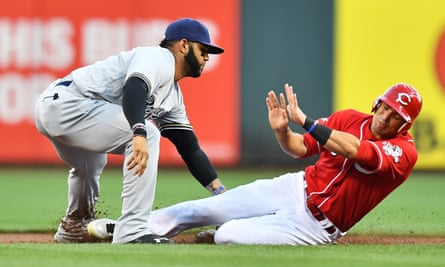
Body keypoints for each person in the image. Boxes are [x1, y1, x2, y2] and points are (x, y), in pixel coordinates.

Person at [88, 82, 422, 245]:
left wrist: (305, 120)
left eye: (397, 116)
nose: (387, 117)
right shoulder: (349, 118)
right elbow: (298, 148)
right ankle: (131, 229)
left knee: (227, 236)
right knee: (198, 209)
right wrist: (282, 133)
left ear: (405, 124)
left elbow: (355, 150)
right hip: (295, 188)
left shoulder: (404, 152)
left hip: (317, 225)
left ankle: (211, 235)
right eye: (386, 107)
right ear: (377, 103)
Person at [34, 18, 227, 244]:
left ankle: (74, 226)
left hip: (61, 108)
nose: (207, 57)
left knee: (90, 165)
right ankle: (132, 231)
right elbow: (134, 87)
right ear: (184, 45)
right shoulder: (159, 58)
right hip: (69, 104)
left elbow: (189, 149)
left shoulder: (173, 97)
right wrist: (138, 133)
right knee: (149, 134)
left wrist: (220, 192)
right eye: (203, 49)